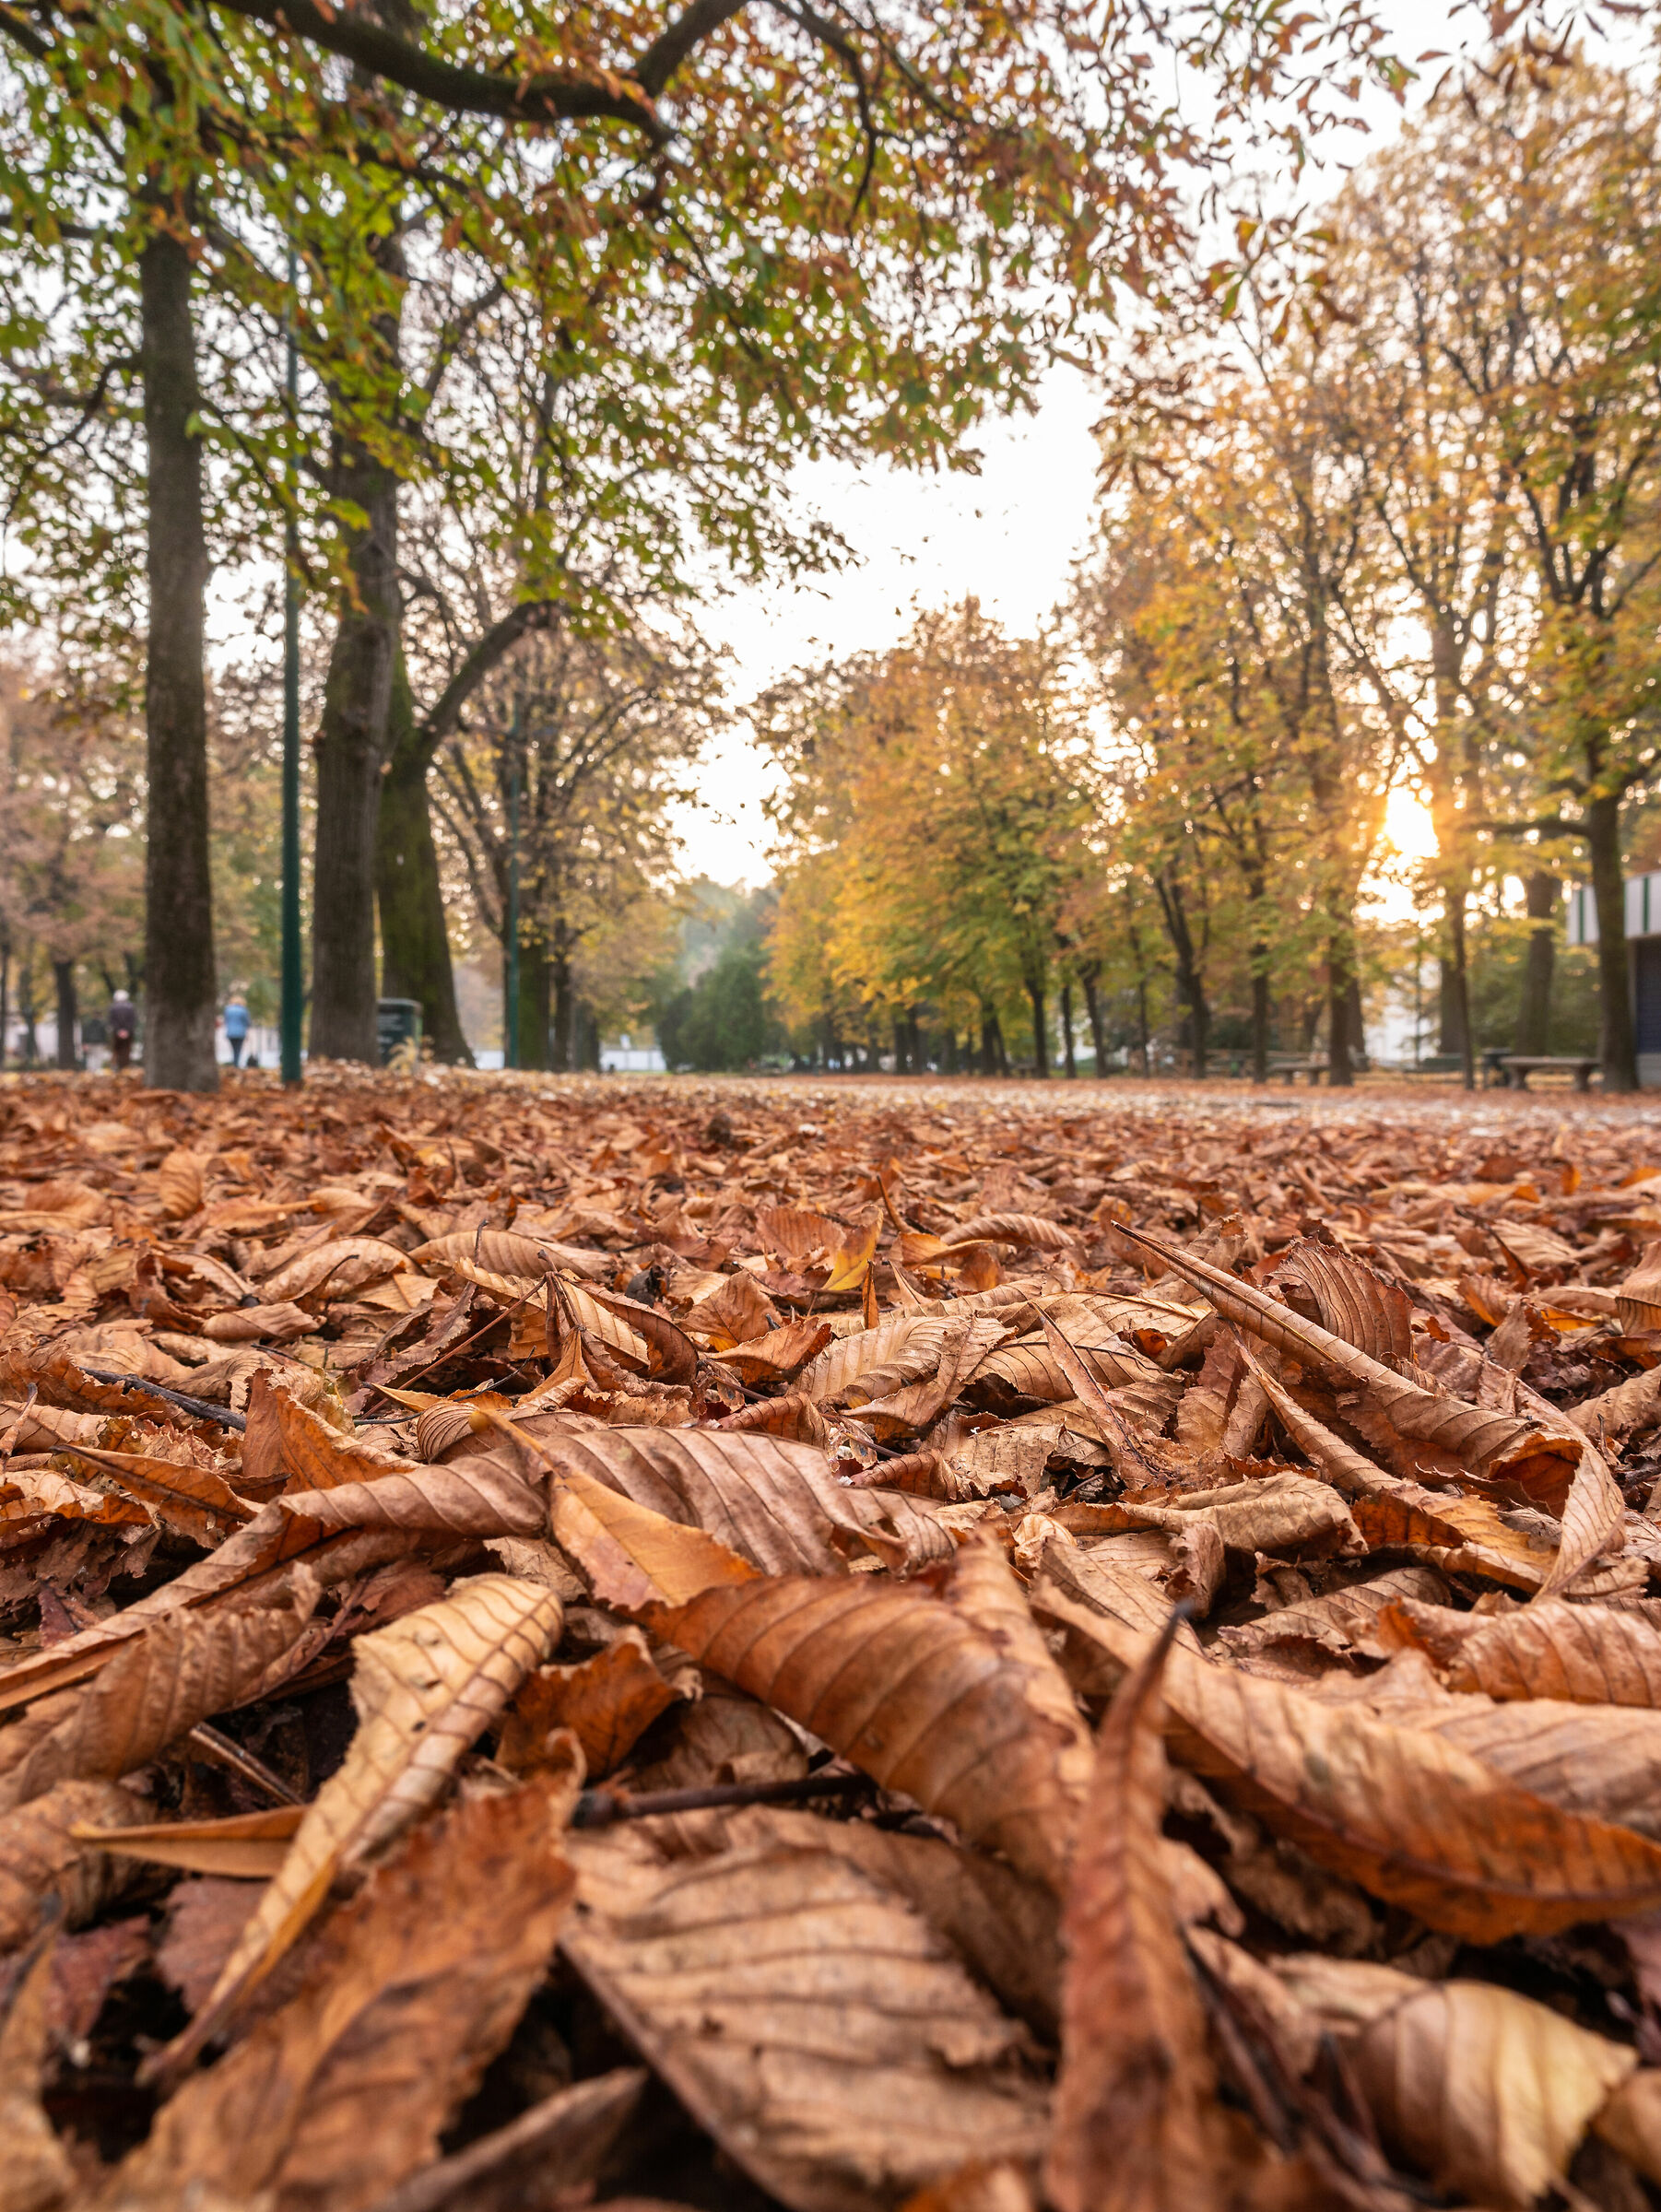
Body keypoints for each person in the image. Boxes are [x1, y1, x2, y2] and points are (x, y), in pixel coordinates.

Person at [108, 989, 135, 1072]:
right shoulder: (131, 1007)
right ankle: (125, 1067)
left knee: (116, 1050)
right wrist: (126, 1030)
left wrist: (119, 1030)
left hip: (116, 1033)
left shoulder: (112, 1008)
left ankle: (115, 1067)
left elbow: (111, 1021)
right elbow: (133, 1020)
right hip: (129, 1033)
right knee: (126, 1050)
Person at [223, 994, 251, 1067]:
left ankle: (235, 1064)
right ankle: (236, 1065)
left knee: (233, 1049)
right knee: (238, 1049)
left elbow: (226, 1021)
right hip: (240, 1033)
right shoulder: (243, 1010)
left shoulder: (228, 1009)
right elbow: (247, 1022)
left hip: (230, 1033)